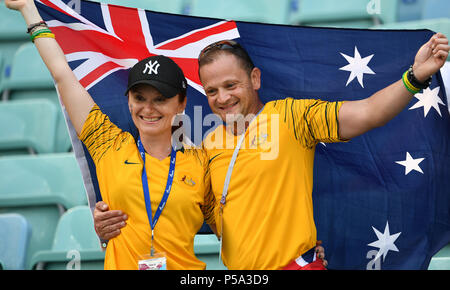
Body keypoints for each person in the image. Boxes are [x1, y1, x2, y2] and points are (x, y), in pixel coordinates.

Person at [96, 32, 449, 270]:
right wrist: (109, 223)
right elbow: (174, 203)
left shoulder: (293, 117)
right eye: (212, 90)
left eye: (231, 85)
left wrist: (415, 76)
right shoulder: (206, 146)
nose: (222, 98)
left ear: (256, 79)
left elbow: (368, 113)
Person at [5, 0, 217, 270]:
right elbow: (63, 75)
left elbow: (231, 224)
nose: (148, 109)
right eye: (140, 98)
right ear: (128, 101)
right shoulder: (108, 143)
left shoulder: (202, 163)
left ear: (181, 103)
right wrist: (29, 10)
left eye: (160, 99)